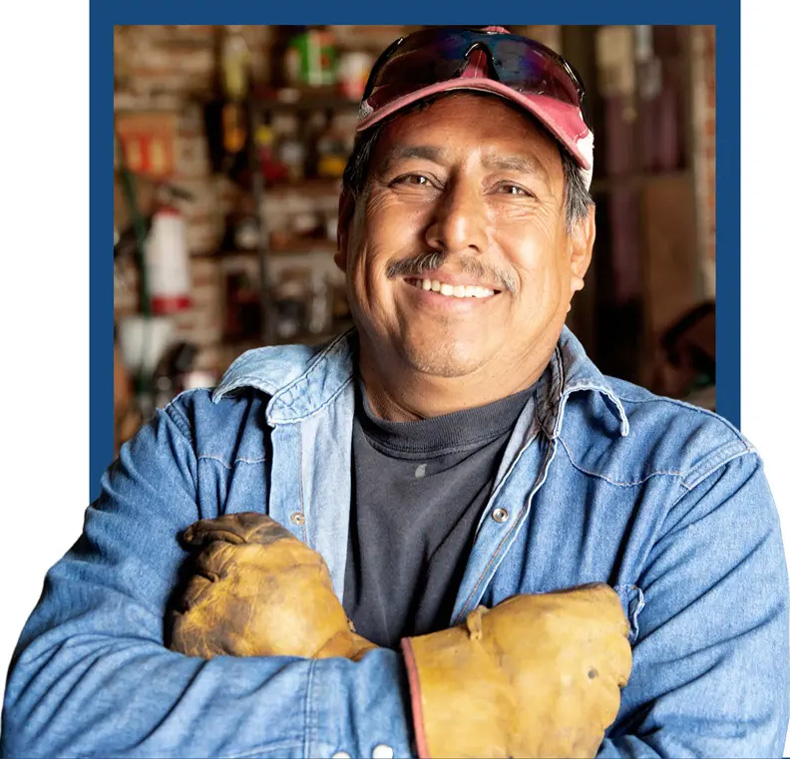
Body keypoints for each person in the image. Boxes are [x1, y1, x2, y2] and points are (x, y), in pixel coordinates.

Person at [2, 25, 788, 759]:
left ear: (577, 248)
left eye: (512, 189)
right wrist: (427, 704)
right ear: (347, 229)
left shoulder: (689, 488)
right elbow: (49, 719)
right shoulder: (204, 447)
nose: (456, 229)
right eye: (416, 178)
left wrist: (319, 666)